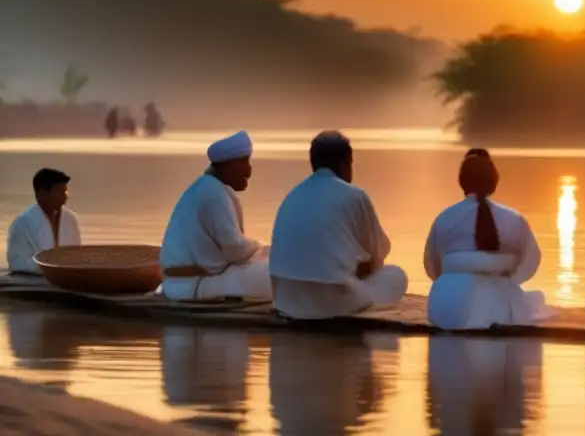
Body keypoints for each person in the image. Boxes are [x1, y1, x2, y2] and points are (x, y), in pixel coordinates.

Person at [269, 131, 408, 319]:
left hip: (286, 302)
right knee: (395, 276)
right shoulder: (354, 195)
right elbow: (378, 251)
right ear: (345, 165)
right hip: (332, 306)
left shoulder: (292, 195)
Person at [423, 150, 552, 330]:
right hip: (501, 304)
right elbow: (530, 262)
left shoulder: (445, 219)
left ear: (462, 182)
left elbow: (432, 267)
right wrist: (504, 280)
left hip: (448, 307)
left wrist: (460, 276)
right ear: (494, 182)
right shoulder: (514, 220)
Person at [159, 131, 271, 300]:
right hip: (194, 286)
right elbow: (235, 249)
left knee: (272, 256)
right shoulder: (213, 194)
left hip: (188, 282)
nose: (249, 171)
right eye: (245, 162)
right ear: (229, 165)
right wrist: (259, 246)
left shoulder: (207, 187)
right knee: (278, 269)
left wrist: (263, 250)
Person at [7, 168, 82, 274]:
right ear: (41, 193)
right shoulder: (23, 223)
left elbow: (76, 255)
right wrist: (51, 265)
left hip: (66, 280)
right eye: (59, 191)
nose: (65, 196)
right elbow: (16, 263)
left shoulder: (70, 219)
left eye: (65, 191)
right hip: (33, 282)